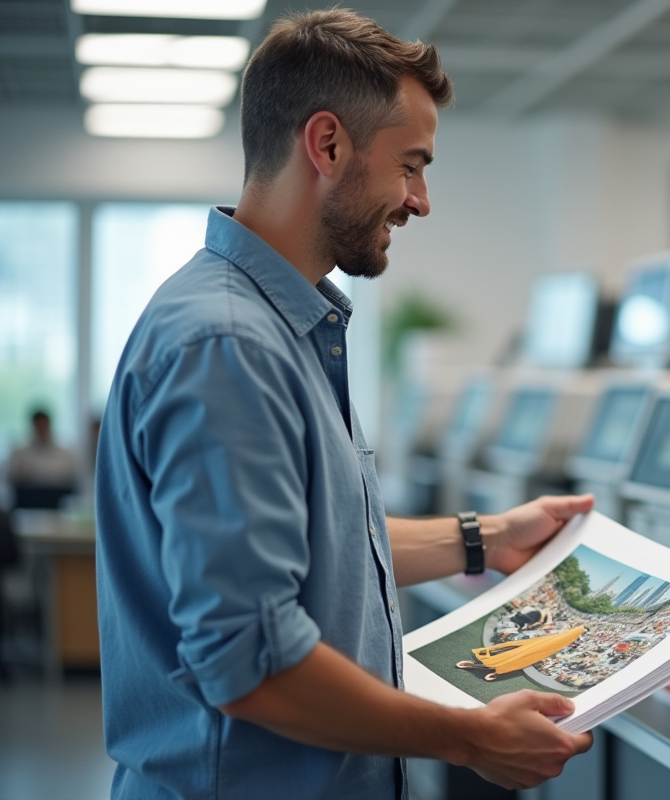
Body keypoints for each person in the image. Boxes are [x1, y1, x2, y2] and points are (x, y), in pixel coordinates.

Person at [94, 9, 593, 799]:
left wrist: (491, 538)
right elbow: (253, 663)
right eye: (412, 165)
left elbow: (322, 545)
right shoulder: (228, 345)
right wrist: (473, 739)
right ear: (327, 144)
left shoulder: (283, 326)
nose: (420, 201)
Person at [5, 408, 79, 507]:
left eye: (44, 425)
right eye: (38, 425)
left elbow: (71, 477)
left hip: (57, 506)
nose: (41, 429)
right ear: (33, 426)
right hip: (27, 504)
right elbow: (10, 476)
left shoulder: (65, 454)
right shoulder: (19, 454)